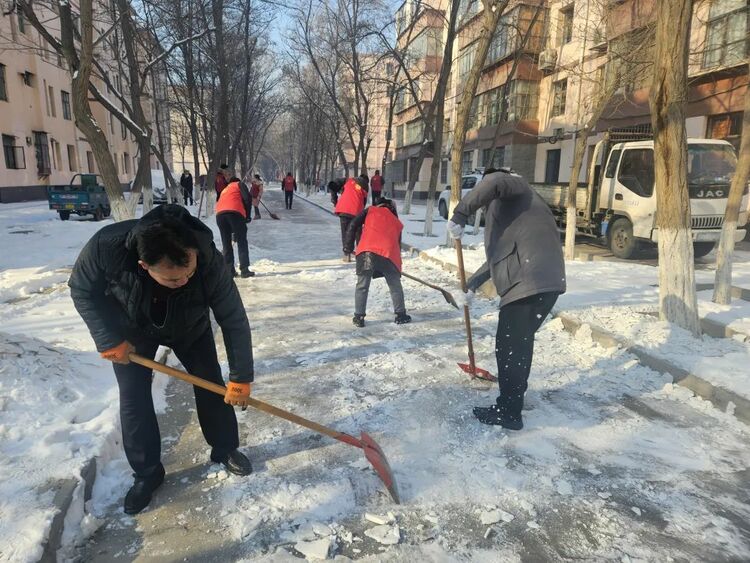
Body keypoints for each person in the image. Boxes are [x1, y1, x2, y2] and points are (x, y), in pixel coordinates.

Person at [68, 204, 254, 515]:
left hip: (191, 327)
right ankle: (147, 473)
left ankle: (224, 448)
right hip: (133, 330)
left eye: (188, 273)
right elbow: (81, 289)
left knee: (211, 383)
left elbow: (233, 317)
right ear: (144, 265)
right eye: (172, 279)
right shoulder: (106, 247)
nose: (183, 280)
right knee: (133, 397)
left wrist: (241, 377)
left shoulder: (207, 257)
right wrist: (108, 339)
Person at [447, 169, 566, 431]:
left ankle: (509, 411)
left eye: (486, 186)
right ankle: (512, 403)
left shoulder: (514, 185)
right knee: (517, 347)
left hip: (529, 279)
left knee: (511, 348)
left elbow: (497, 182)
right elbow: (495, 258)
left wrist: (460, 212)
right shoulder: (517, 211)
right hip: (542, 281)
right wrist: (470, 286)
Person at [344, 198, 411, 327]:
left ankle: (359, 316)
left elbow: (353, 224)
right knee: (395, 285)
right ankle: (401, 315)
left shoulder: (370, 210)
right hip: (389, 254)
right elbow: (397, 246)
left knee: (362, 286)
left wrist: (348, 246)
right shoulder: (397, 222)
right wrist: (397, 269)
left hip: (366, 251)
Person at [216, 174, 255, 278]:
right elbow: (247, 199)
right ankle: (244, 270)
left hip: (220, 215)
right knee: (242, 241)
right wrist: (247, 215)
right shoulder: (239, 184)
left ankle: (229, 271)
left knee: (226, 244)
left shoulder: (226, 189)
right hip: (234, 213)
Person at [334, 176, 369, 261]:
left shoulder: (348, 181)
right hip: (356, 210)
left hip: (343, 209)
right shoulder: (365, 185)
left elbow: (334, 185)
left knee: (345, 232)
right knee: (357, 232)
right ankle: (360, 254)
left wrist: (334, 200)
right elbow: (364, 202)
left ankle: (347, 254)